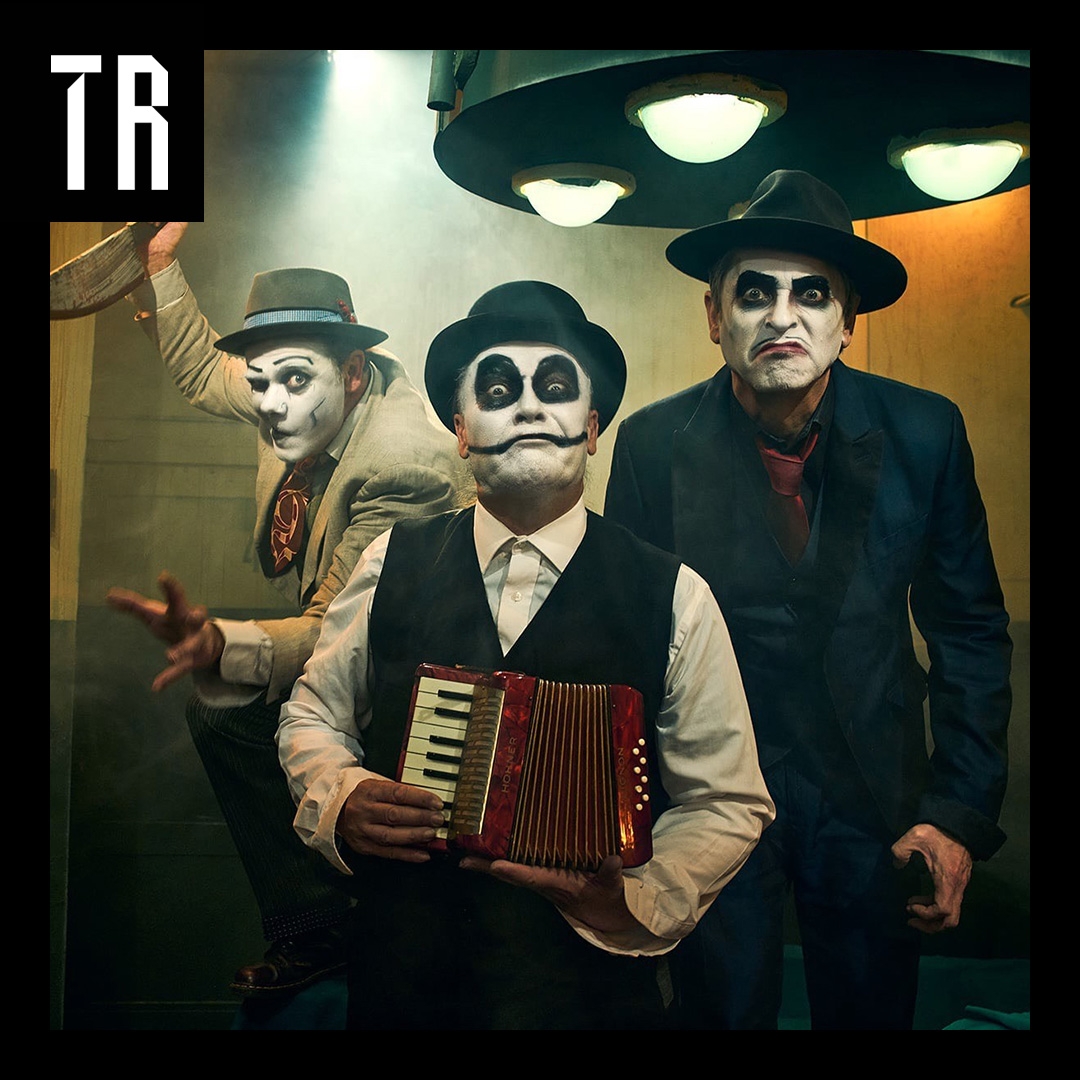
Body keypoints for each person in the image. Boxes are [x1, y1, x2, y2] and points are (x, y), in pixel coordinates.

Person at [276, 280, 774, 1029]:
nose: (530, 407)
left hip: (589, 994)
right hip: (406, 980)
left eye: (555, 387)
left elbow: (727, 800)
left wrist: (639, 896)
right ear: (462, 428)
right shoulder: (390, 561)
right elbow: (312, 715)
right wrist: (338, 798)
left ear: (593, 427)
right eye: (500, 388)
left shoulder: (675, 593)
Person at [603, 170, 1013, 1030]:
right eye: (752, 292)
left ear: (847, 320)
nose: (780, 315)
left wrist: (956, 818)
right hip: (711, 793)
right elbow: (626, 647)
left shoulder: (925, 432)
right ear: (715, 318)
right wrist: (630, 824)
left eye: (810, 293)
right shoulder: (649, 444)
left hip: (872, 793)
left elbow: (969, 631)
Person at [107, 222, 471, 998]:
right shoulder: (295, 382)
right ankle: (335, 912)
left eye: (290, 383)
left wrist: (220, 647)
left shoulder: (401, 464)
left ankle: (328, 925)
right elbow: (209, 372)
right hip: (342, 626)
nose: (271, 408)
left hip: (425, 671)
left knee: (227, 714)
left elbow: (340, 634)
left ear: (352, 373)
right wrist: (162, 270)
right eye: (261, 381)